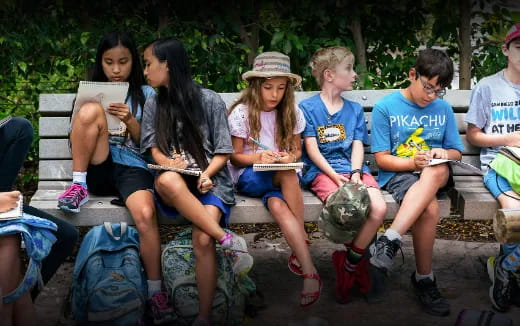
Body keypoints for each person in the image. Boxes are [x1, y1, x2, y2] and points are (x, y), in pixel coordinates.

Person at [54, 31, 173, 324]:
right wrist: (91, 116)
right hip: (99, 165)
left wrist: (131, 121)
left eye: (123, 62)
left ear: (134, 61)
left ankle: (155, 293)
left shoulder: (145, 95)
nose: (117, 69)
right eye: (109, 62)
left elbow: (151, 146)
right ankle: (78, 186)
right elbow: (77, 139)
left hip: (133, 166)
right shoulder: (90, 93)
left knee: (146, 214)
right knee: (91, 109)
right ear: (101, 62)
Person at [140, 37, 237, 326]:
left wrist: (207, 174)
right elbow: (152, 148)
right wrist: (168, 163)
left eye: (148, 64)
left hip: (210, 180)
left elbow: (223, 151)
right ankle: (228, 241)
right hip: (174, 185)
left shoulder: (208, 99)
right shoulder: (154, 102)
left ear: (167, 65)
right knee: (168, 181)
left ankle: (204, 317)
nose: (145, 71)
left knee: (202, 238)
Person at [370, 48, 464, 316]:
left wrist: (442, 153)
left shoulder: (442, 108)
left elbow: (455, 152)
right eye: (428, 87)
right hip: (400, 173)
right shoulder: (385, 107)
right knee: (430, 208)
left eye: (438, 90)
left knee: (437, 170)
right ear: (413, 74)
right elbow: (382, 159)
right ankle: (425, 279)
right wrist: (413, 164)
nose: (431, 95)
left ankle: (390, 239)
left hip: (435, 172)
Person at [227, 51, 321, 308]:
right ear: (256, 86)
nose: (274, 94)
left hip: (281, 179)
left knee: (280, 205)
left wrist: (284, 156)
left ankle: (309, 271)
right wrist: (259, 156)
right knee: (288, 173)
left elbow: (297, 152)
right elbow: (235, 157)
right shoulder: (242, 113)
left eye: (281, 88)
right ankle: (302, 235)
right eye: (268, 87)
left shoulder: (291, 112)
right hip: (251, 176)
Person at [299, 46, 387, 303]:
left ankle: (348, 264)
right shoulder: (309, 108)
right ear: (329, 75)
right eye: (348, 69)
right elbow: (312, 149)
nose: (354, 75)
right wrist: (335, 177)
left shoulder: (354, 110)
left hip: (352, 169)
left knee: (378, 208)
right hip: (323, 171)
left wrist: (357, 173)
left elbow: (358, 144)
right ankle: (358, 269)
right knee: (348, 207)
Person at [1, 116, 78, 325]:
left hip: (4, 202)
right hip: (3, 205)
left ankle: (23, 300)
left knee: (67, 235)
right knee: (10, 241)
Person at [465, 23, 520, 312]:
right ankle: (508, 272)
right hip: (498, 168)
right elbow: (473, 135)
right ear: (506, 50)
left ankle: (506, 266)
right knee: (516, 216)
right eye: (519, 48)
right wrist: (509, 138)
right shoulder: (488, 86)